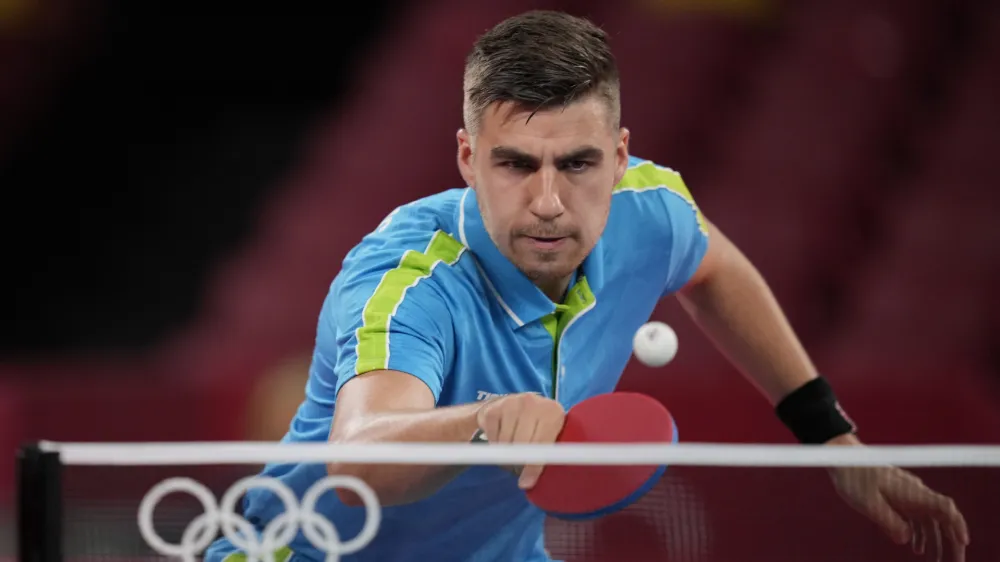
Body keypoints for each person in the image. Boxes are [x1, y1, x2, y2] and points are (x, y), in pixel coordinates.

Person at [206, 10, 969, 562]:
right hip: (304, 554)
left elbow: (717, 273)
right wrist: (485, 421)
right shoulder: (408, 282)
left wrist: (831, 439)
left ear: (619, 154)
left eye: (577, 163)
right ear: (469, 159)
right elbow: (360, 459)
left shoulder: (651, 210)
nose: (546, 201)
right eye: (515, 164)